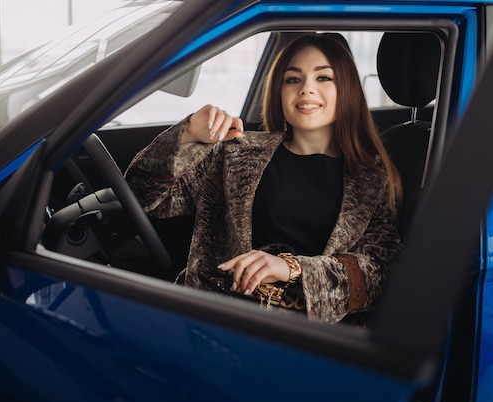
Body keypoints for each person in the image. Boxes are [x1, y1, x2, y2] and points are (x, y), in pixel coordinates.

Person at [125, 34, 402, 324]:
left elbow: (380, 272)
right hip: (214, 318)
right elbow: (144, 198)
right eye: (293, 79)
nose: (307, 89)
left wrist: (291, 269)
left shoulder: (372, 178)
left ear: (347, 89)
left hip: (307, 337)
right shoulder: (235, 153)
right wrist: (186, 135)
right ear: (279, 91)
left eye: (324, 78)